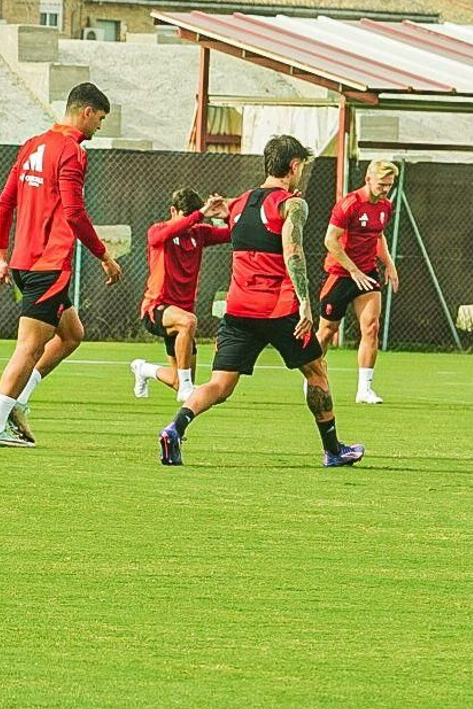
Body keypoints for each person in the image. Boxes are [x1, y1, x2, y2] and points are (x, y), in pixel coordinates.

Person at [158, 135, 366, 468]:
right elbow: (293, 252)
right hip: (280, 309)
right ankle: (333, 450)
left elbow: (225, 211)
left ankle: (175, 427)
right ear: (294, 166)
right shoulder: (292, 204)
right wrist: (305, 303)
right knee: (316, 371)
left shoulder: (240, 203)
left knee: (220, 384)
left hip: (239, 309)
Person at [0, 83, 122, 447]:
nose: (100, 127)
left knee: (72, 334)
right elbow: (74, 212)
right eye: (100, 119)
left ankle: (19, 401)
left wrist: (0, 252)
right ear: (86, 112)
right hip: (48, 263)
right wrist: (103, 255)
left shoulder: (33, 144)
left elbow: (5, 201)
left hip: (26, 261)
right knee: (29, 348)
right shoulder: (72, 151)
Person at [129, 187, 232, 403]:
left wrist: (228, 215)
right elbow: (167, 233)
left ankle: (143, 369)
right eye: (189, 217)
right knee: (188, 321)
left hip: (181, 317)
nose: (192, 222)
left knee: (177, 379)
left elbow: (233, 235)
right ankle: (187, 387)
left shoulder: (199, 233)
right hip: (156, 309)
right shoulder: (158, 231)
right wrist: (201, 214)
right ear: (173, 211)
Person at [315, 160, 400, 404]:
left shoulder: (385, 205)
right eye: (382, 184)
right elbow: (330, 240)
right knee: (326, 332)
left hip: (368, 272)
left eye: (389, 185)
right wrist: (352, 271)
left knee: (371, 327)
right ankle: (312, 378)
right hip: (341, 274)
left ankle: (364, 390)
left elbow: (378, 236)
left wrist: (389, 265)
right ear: (368, 179)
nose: (385, 189)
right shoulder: (349, 204)